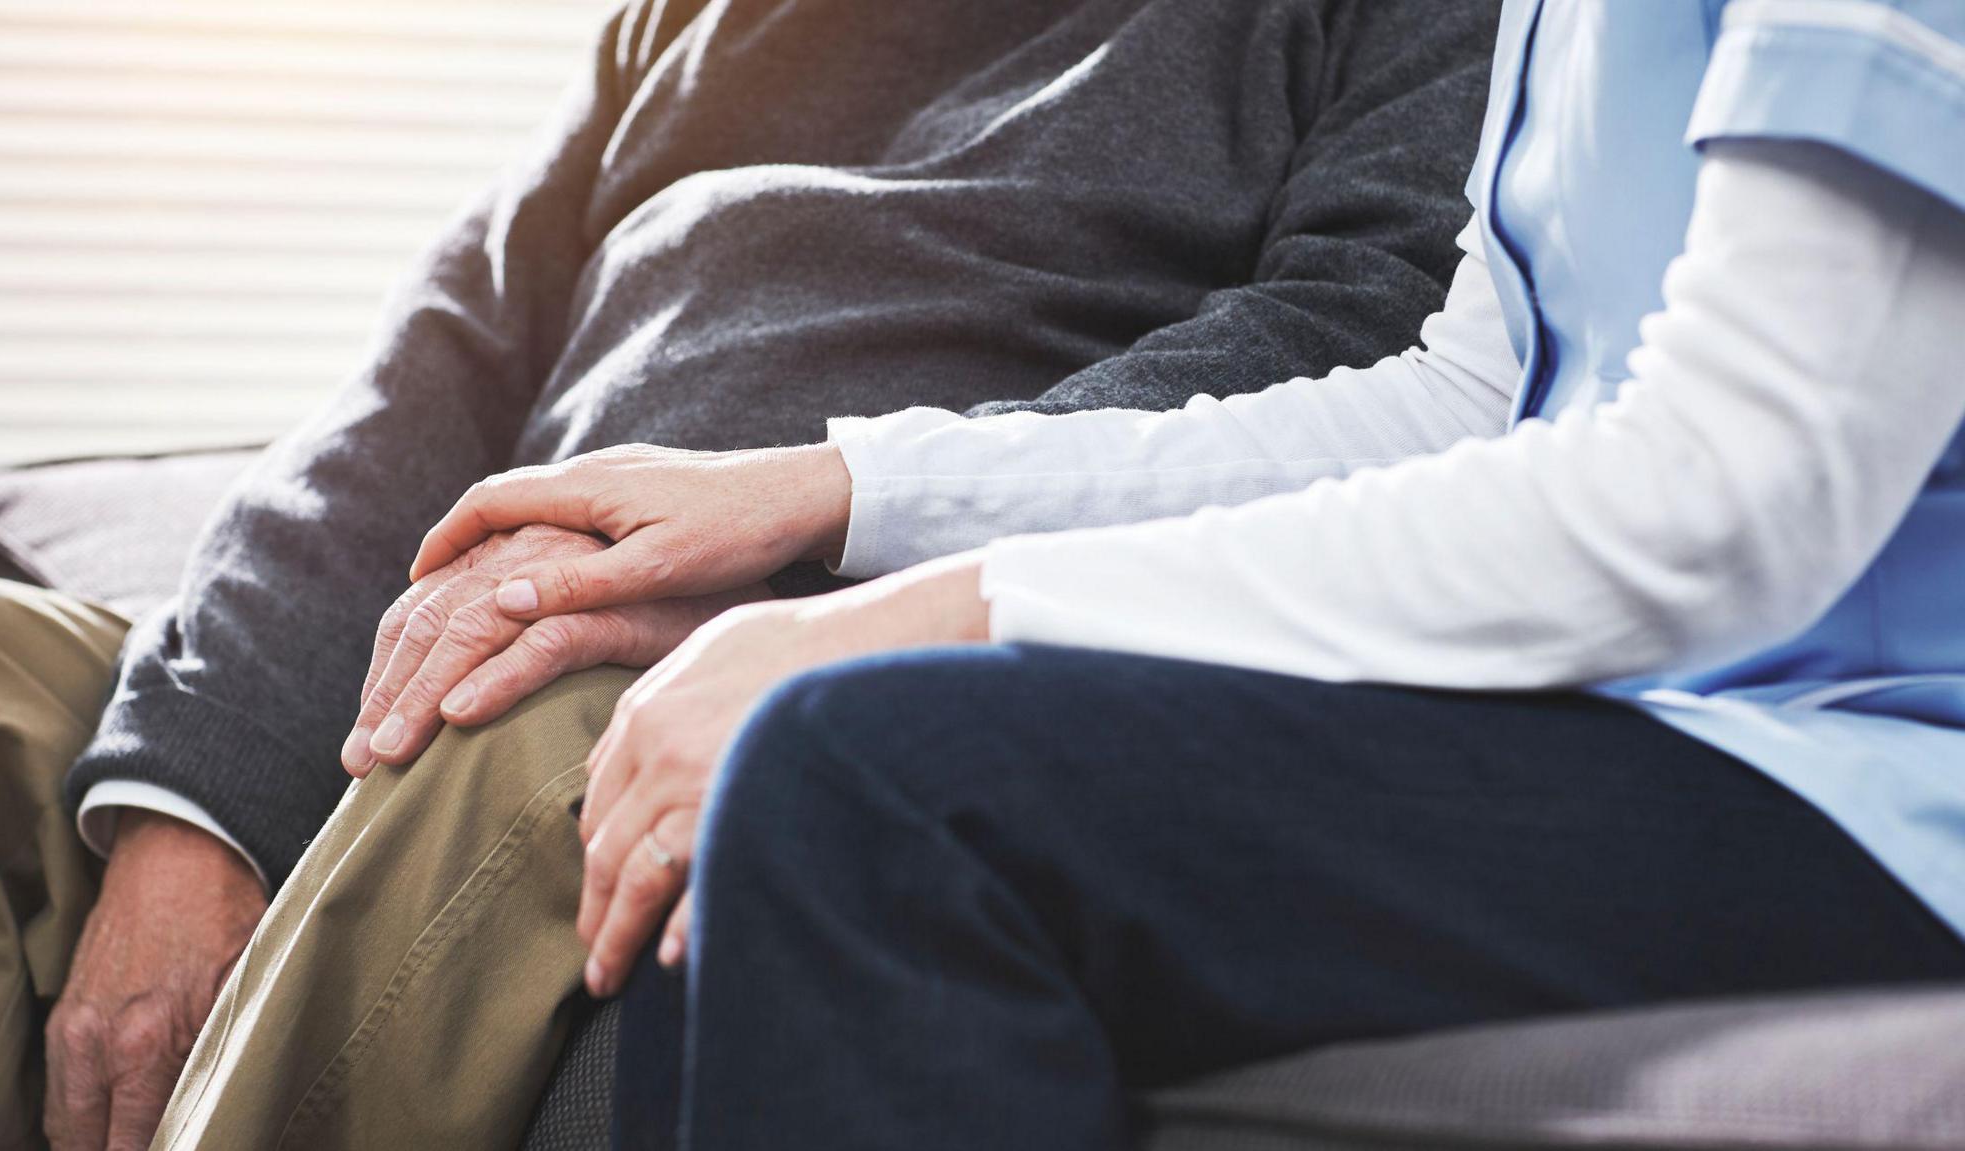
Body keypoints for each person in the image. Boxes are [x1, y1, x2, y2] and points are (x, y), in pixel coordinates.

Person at [335, 0, 1965, 1146]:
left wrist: (901, 618)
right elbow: (1458, 399)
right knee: (785, 780)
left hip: (1873, 780)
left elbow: (1729, 502)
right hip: (1664, 726)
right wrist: (839, 493)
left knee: (869, 786)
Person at [0, 1, 1499, 1148]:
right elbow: (417, 387)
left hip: (824, 617)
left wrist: (816, 541)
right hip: (491, 610)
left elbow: (1362, 343)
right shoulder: (687, 25)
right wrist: (184, 808)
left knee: (552, 707)